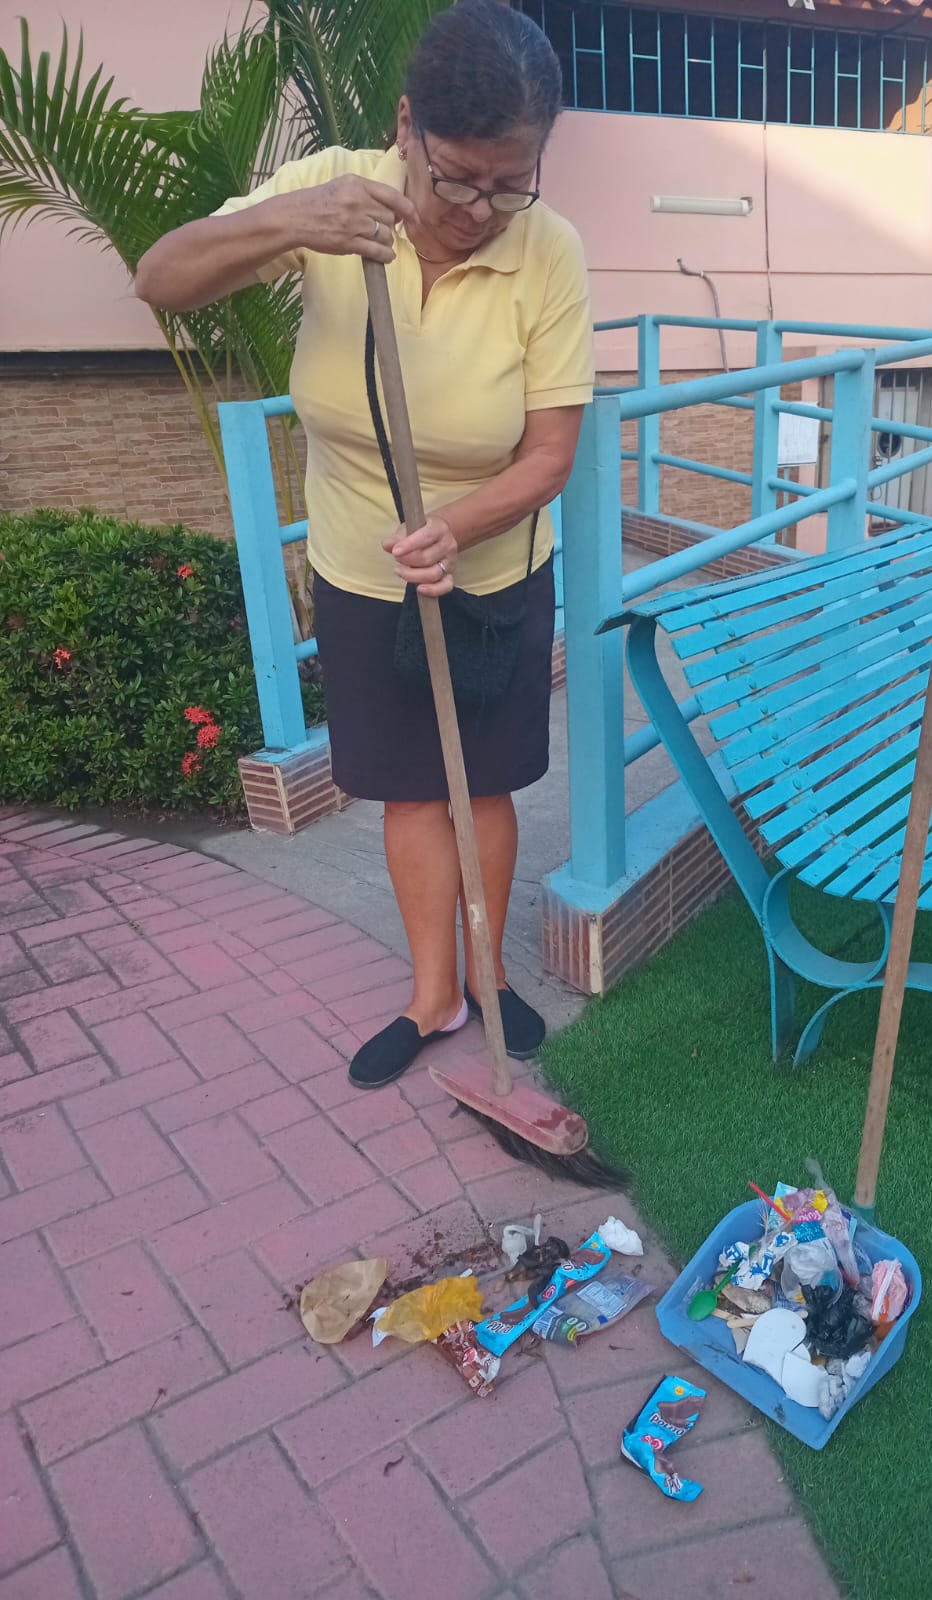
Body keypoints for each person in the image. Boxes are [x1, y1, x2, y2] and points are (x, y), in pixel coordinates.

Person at [135, 0, 593, 1089]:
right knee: (409, 788)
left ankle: (489, 976)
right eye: (457, 178)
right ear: (405, 129)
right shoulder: (334, 193)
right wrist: (295, 220)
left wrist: (458, 526)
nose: (481, 209)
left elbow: (549, 453)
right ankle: (434, 995)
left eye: (511, 182)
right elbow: (160, 277)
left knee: (484, 784)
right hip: (361, 564)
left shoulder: (549, 252)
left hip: (491, 569)